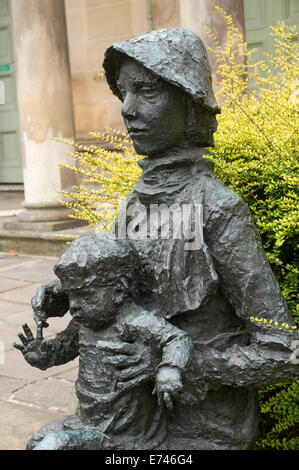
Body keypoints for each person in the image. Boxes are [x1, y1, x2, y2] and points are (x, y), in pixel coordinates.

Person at [28, 29, 298, 449]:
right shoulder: (135, 202)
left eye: (147, 91)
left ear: (188, 104)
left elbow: (285, 352)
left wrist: (182, 364)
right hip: (127, 417)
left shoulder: (218, 210)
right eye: (123, 92)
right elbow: (123, 281)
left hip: (200, 428)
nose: (127, 109)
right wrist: (67, 291)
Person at [13, 234, 193, 450]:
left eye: (84, 295)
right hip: (85, 421)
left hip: (124, 435)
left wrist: (170, 369)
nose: (73, 306)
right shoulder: (85, 322)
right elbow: (61, 350)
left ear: (118, 290)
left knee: (53, 444)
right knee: (35, 442)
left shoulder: (134, 320)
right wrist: (43, 355)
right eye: (71, 296)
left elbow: (178, 339)